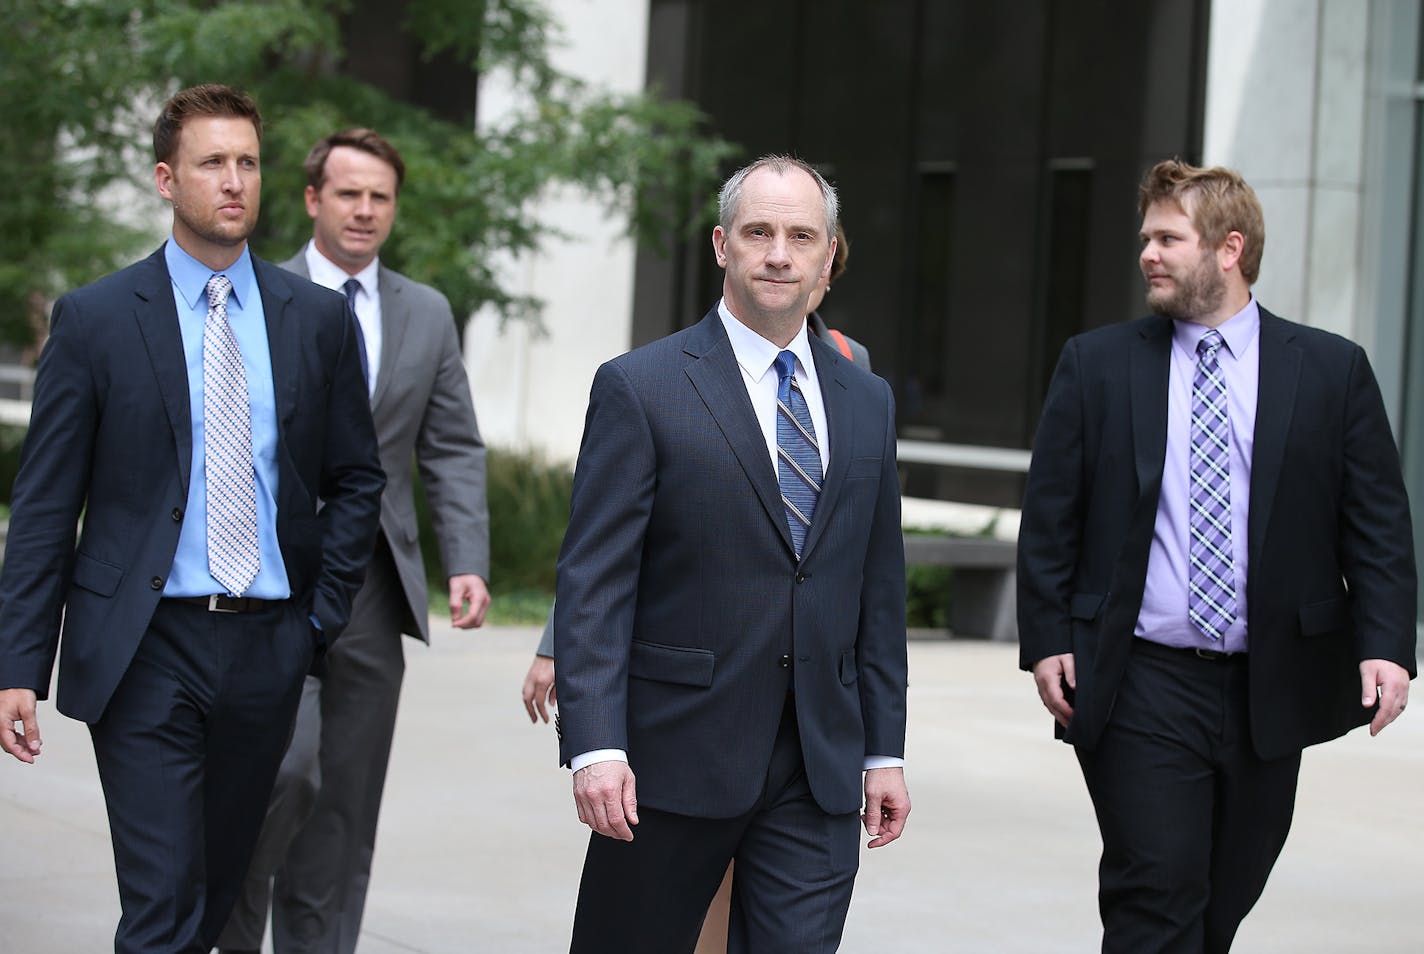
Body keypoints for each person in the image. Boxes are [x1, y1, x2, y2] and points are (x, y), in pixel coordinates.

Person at [0, 84, 385, 954]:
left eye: (248, 162)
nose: (235, 181)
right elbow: (46, 504)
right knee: (162, 903)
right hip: (142, 646)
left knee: (213, 894)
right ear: (167, 179)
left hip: (268, 647)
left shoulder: (315, 319)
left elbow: (357, 478)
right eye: (214, 163)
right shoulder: (97, 319)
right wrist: (18, 661)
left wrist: (316, 619)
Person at [1016, 158, 1416, 953]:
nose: (1148, 255)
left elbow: (1376, 523)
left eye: (1168, 238)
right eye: (1146, 239)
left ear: (1229, 249)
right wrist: (1049, 636)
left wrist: (1385, 645)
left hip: (1271, 680)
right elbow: (1051, 515)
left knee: (1222, 900)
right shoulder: (1097, 364)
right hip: (1139, 677)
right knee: (1155, 889)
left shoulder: (1331, 371)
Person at [553, 154, 910, 953]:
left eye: (800, 235)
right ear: (723, 245)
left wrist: (884, 750)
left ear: (827, 253)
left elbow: (877, 587)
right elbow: (595, 584)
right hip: (670, 762)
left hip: (817, 767)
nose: (779, 252)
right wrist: (597, 746)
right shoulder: (640, 387)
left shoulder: (866, 399)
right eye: (759, 232)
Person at [216, 129, 490, 954]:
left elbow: (450, 446)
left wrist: (467, 557)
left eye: (380, 197)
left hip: (373, 585)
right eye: (348, 193)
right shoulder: (254, 295)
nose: (365, 210)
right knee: (279, 775)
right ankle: (225, 935)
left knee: (345, 801)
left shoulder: (426, 312)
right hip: (268, 582)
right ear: (311, 200)